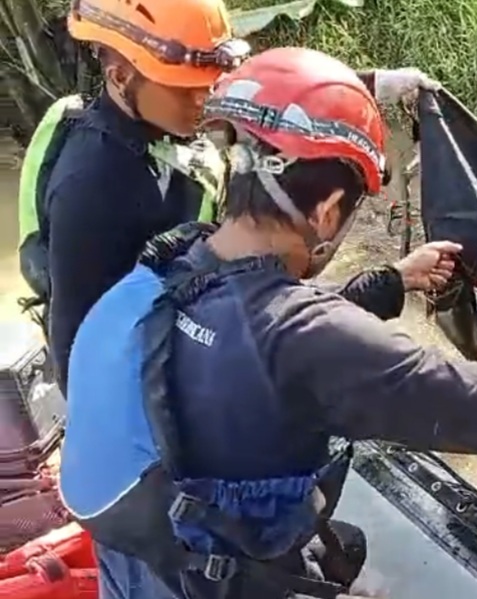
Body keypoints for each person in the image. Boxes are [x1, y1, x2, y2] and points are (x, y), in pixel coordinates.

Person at [58, 46, 477, 599]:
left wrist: (393, 280)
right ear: (330, 210)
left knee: (346, 548)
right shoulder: (302, 337)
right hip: (206, 580)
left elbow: (264, 352)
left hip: (141, 560)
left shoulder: (161, 274)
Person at [22, 0, 439, 393]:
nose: (206, 98)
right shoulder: (91, 189)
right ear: (120, 77)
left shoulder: (160, 117)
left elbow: (267, 100)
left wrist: (372, 85)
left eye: (209, 82)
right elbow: (80, 368)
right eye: (187, 89)